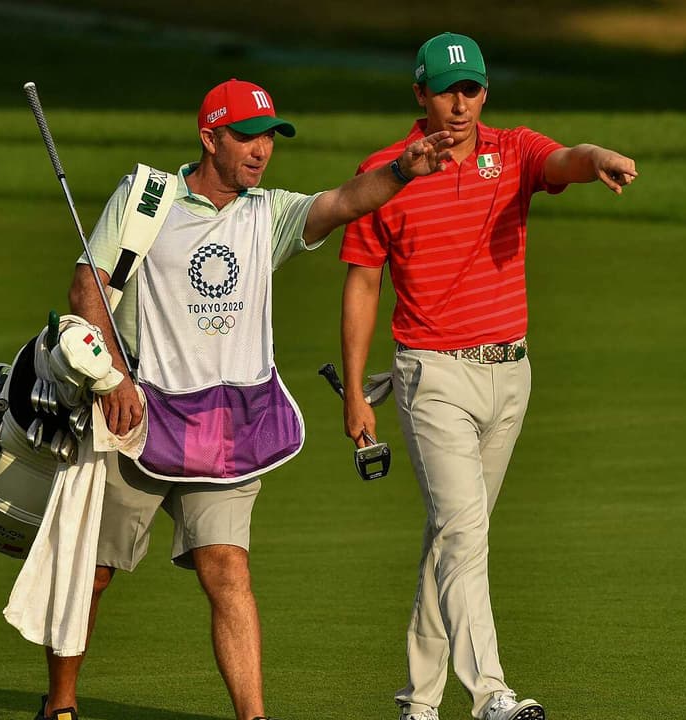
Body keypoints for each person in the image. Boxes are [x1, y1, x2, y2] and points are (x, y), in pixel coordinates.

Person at [39, 78, 453, 720]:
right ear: (209, 137)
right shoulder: (146, 199)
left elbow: (344, 201)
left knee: (229, 572)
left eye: (269, 137)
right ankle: (61, 705)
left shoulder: (270, 212)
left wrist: (402, 170)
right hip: (137, 419)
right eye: (246, 136)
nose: (261, 150)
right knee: (93, 572)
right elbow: (86, 293)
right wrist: (114, 379)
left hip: (228, 431)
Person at [339, 33, 638, 720]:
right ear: (420, 94)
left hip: (510, 374)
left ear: (485, 93)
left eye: (471, 89)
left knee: (453, 535)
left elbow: (565, 159)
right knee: (464, 532)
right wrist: (356, 392)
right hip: (432, 375)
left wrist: (599, 161)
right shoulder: (386, 172)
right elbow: (361, 284)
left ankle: (418, 704)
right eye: (446, 89)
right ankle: (491, 695)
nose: (460, 102)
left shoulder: (513, 151)